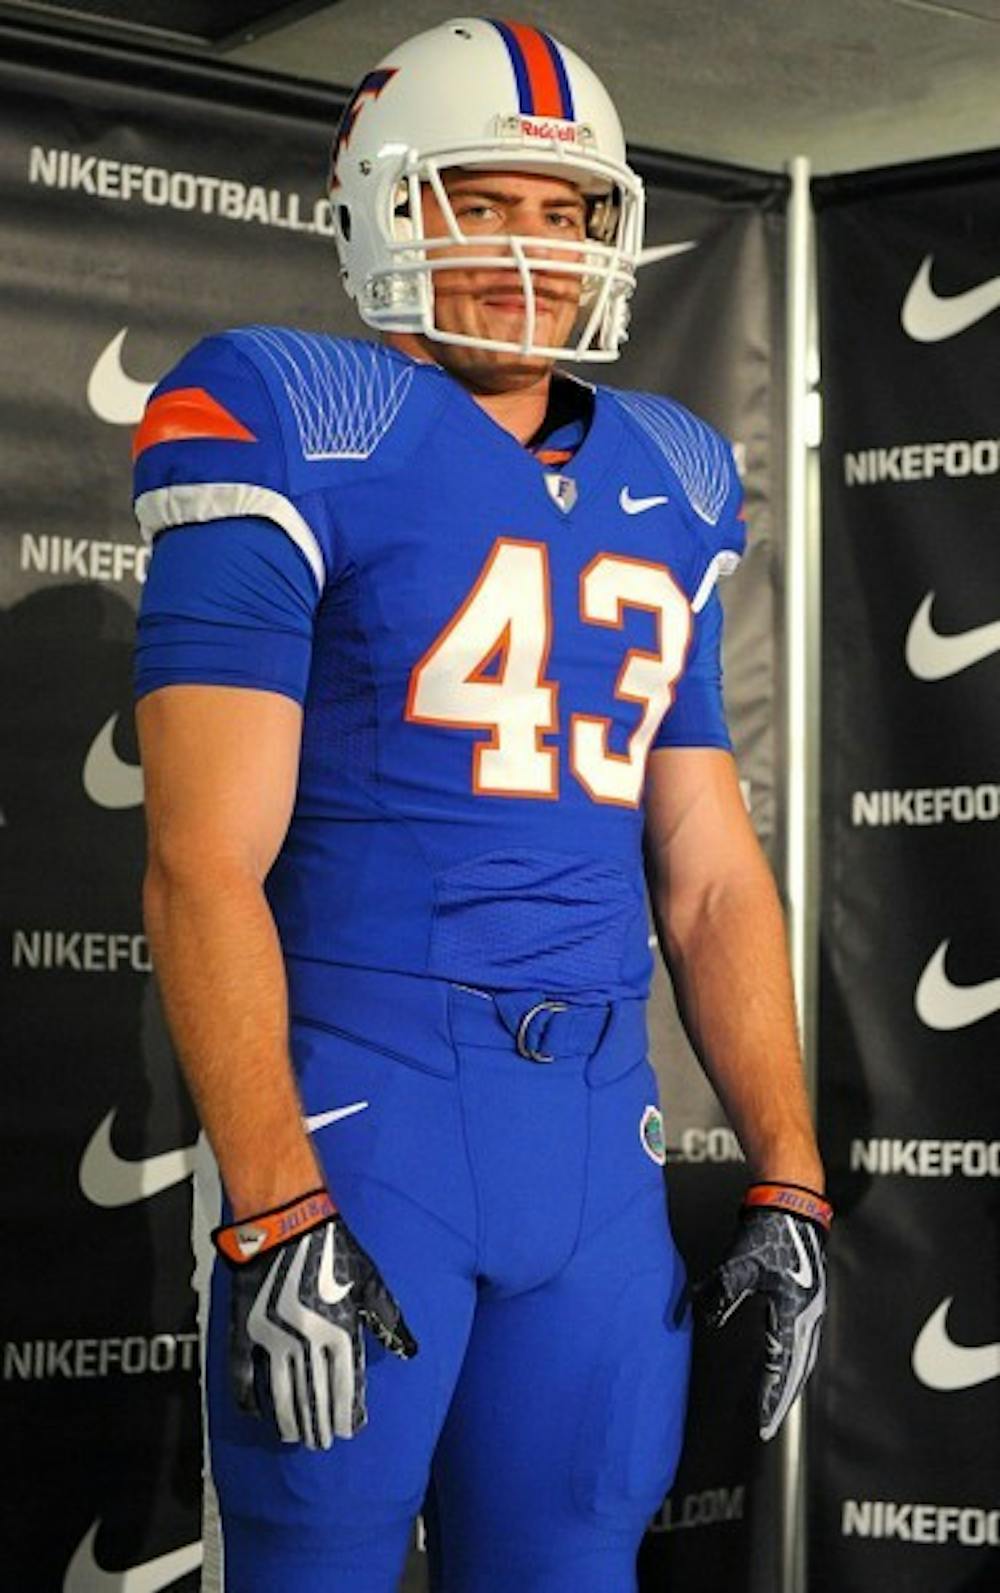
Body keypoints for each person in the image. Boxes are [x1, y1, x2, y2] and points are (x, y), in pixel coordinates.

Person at [132, 16, 830, 1592]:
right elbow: (200, 863)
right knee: (316, 1559)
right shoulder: (289, 410)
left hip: (596, 1124)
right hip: (362, 1111)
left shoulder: (674, 471)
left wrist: (787, 1155)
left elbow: (709, 864)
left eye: (565, 209)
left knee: (577, 1558)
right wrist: (272, 1194)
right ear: (384, 208)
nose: (531, 246)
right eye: (485, 199)